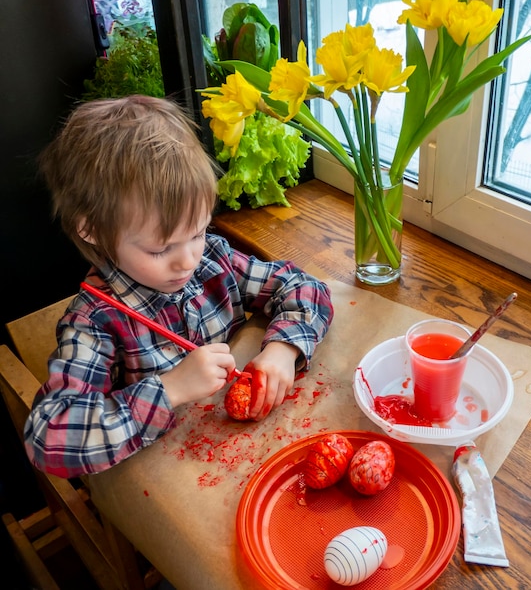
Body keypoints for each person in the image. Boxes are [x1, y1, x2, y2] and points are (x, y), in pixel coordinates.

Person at [23, 95, 334, 478]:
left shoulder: (212, 262)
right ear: (92, 230)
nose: (187, 260)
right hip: (169, 485)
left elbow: (303, 288)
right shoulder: (95, 323)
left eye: (199, 231)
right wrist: (170, 388)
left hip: (251, 456)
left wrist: (284, 350)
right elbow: (47, 437)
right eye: (161, 248)